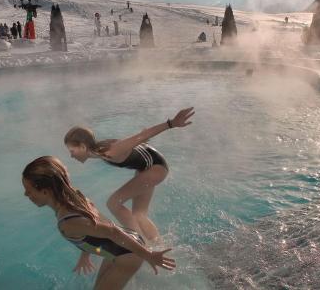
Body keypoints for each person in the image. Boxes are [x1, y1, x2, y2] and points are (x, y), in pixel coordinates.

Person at [22, 156, 175, 289]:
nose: (26, 194)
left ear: (45, 191)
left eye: (28, 190)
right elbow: (92, 227)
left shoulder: (67, 222)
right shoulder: (75, 197)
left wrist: (149, 255)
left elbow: (111, 231)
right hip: (124, 244)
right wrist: (85, 254)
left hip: (127, 254)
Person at [64, 107, 194, 242]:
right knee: (139, 214)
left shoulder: (110, 151)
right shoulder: (100, 150)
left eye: (72, 150)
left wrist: (171, 123)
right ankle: (158, 245)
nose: (71, 155)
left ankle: (140, 243)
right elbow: (138, 140)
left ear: (83, 147)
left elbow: (141, 136)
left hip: (156, 168)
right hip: (146, 169)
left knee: (113, 203)